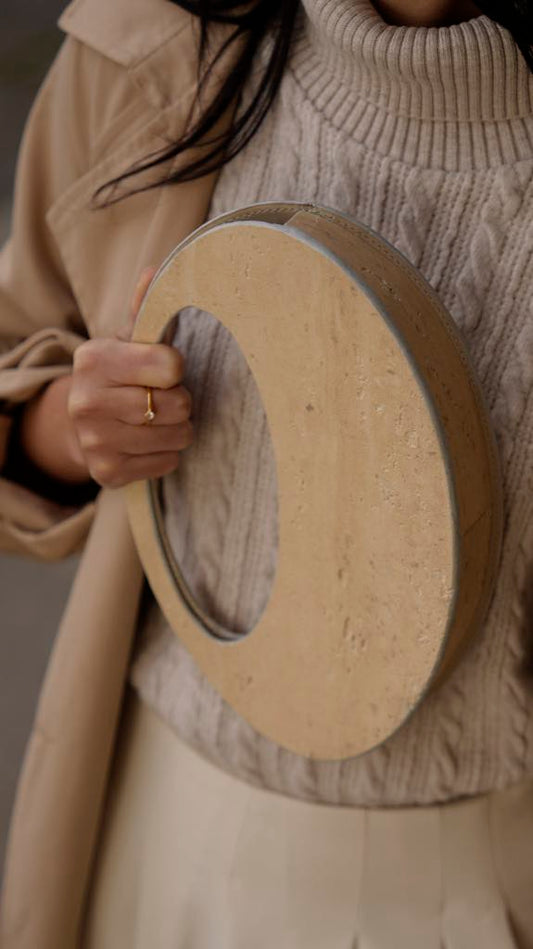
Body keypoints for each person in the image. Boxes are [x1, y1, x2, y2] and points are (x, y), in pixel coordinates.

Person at [0, 0, 532, 946]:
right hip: (156, 828)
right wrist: (76, 427)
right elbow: (18, 346)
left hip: (482, 877)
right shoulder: (157, 42)